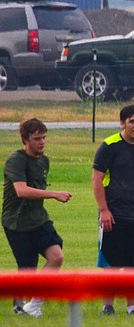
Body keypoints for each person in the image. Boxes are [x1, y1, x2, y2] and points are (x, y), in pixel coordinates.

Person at [92, 104, 134, 316]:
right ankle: (108, 306)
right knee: (111, 262)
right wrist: (103, 210)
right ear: (122, 123)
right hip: (113, 214)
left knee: (133, 263)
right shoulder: (109, 146)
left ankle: (133, 306)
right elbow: (97, 179)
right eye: (132, 121)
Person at [4, 118, 72, 318]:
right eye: (37, 139)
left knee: (56, 256)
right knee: (27, 268)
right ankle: (20, 303)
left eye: (44, 138)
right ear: (25, 140)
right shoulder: (15, 160)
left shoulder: (44, 160)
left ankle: (35, 303)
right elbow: (21, 191)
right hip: (16, 221)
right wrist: (54, 194)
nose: (42, 142)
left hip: (39, 219)